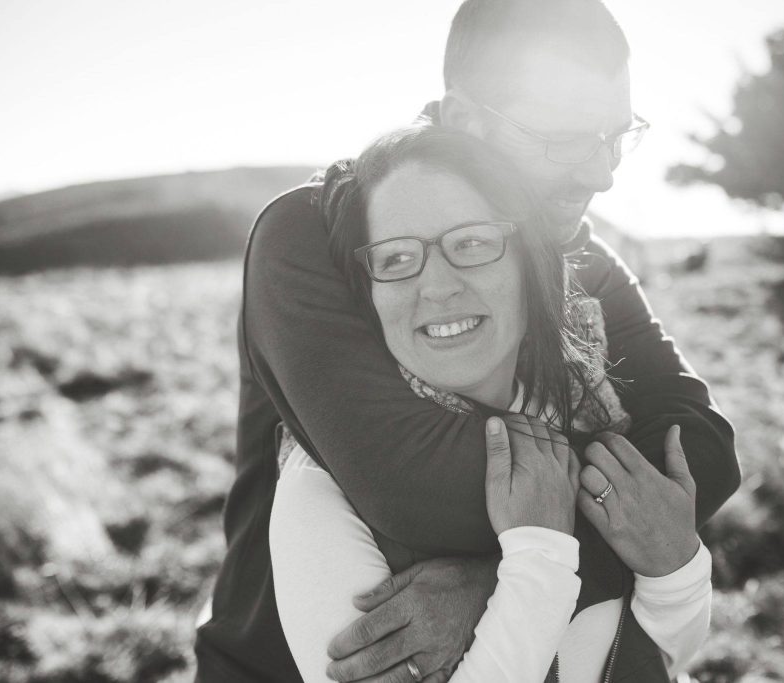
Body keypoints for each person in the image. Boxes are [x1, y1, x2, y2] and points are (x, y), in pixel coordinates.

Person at [194, 0, 740, 680]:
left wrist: (504, 576)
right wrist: (630, 540)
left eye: (614, 135)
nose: (600, 174)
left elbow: (703, 451)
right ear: (464, 121)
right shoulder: (316, 234)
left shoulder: (575, 252)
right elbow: (418, 488)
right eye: (561, 140)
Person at [269, 125, 712, 682]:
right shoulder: (320, 488)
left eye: (472, 243)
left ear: (530, 262)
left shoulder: (594, 414)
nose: (437, 287)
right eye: (398, 257)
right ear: (370, 293)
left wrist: (679, 570)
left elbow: (668, 659)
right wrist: (537, 567)